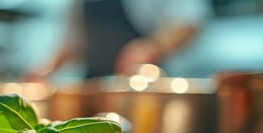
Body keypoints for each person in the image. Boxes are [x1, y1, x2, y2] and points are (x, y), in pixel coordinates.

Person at [25, 0, 212, 80]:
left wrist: (150, 47)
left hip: (141, 93)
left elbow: (190, 21)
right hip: (96, 92)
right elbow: (73, 43)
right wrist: (46, 68)